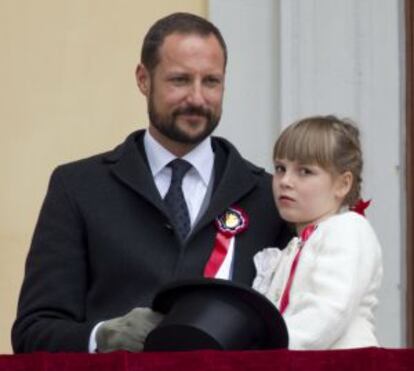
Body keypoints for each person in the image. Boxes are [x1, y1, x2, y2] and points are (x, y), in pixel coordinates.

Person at [12, 12, 291, 353]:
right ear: (144, 79)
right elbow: (33, 333)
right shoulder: (78, 188)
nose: (197, 98)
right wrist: (102, 337)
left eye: (211, 81)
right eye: (180, 80)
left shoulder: (269, 196)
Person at [253, 115, 383, 349]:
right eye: (280, 168)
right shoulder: (291, 247)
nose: (285, 181)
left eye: (304, 171)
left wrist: (265, 350)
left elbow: (328, 310)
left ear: (343, 184)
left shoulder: (348, 229)